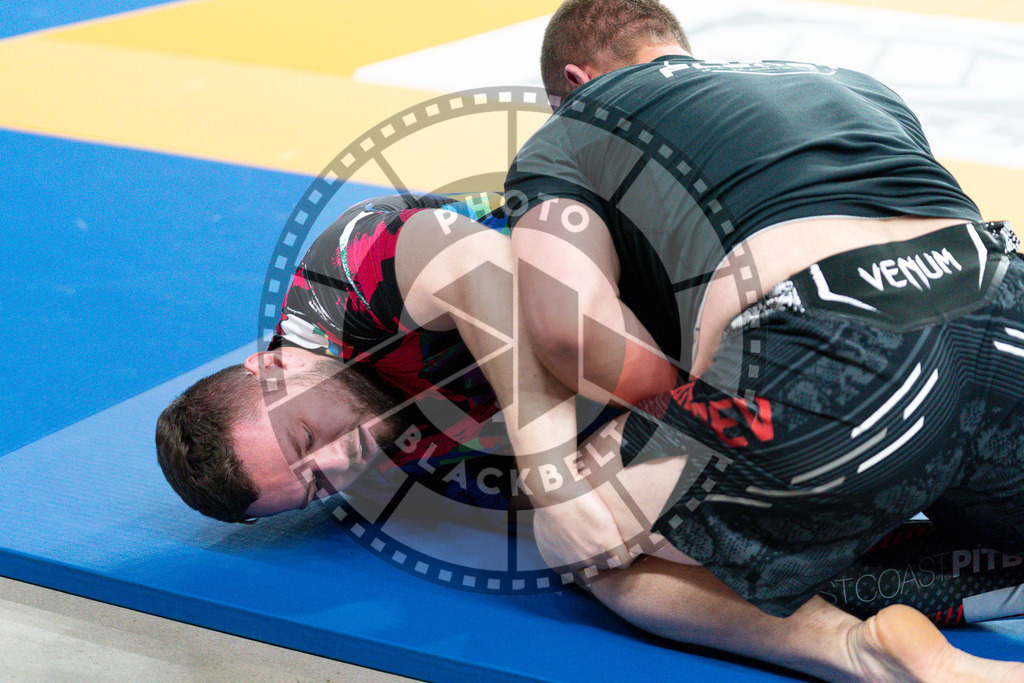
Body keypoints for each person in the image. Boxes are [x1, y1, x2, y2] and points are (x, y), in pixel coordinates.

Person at [158, 190, 1024, 680]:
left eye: (304, 437)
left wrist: (549, 472)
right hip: (713, 400)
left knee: (580, 514)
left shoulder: (343, 279)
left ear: (270, 366)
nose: (338, 460)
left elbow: (488, 280)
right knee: (599, 562)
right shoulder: (384, 447)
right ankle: (855, 650)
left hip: (762, 306)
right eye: (314, 486)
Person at [503, 0, 1024, 674]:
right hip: (1001, 295)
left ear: (574, 81)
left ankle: (856, 651)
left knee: (581, 533)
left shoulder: (582, 117)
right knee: (949, 457)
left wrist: (679, 407)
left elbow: (569, 331)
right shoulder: (851, 82)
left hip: (832, 342)